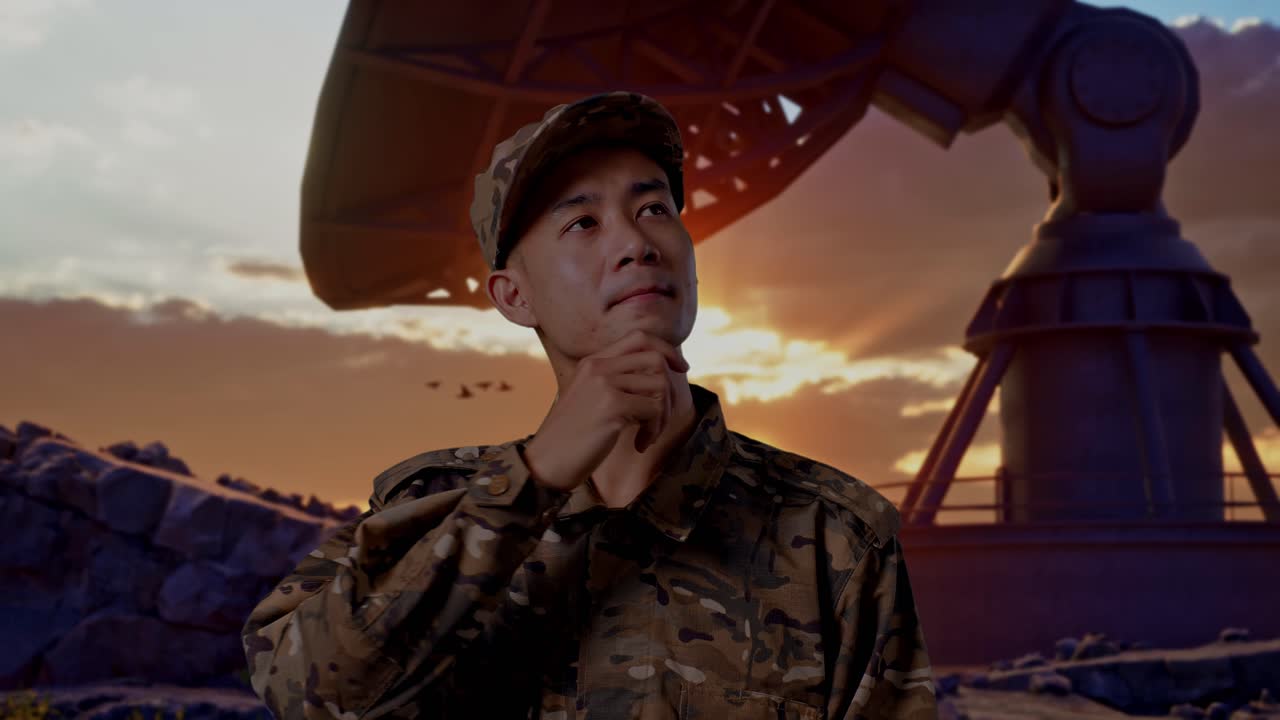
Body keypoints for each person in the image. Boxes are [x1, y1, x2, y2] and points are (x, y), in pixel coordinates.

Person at [241, 91, 938, 719]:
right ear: (515, 296)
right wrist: (532, 480)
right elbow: (306, 694)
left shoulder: (834, 537)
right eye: (581, 222)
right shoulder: (428, 507)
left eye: (654, 209)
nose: (636, 243)